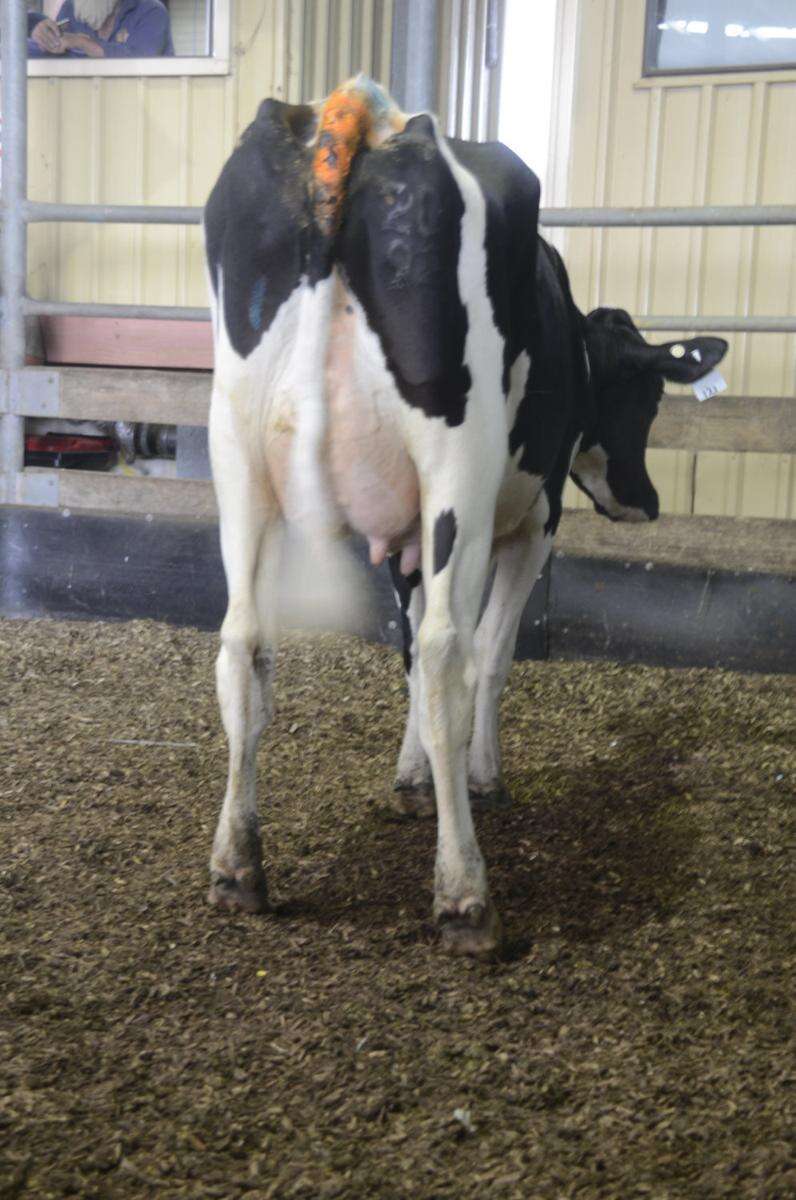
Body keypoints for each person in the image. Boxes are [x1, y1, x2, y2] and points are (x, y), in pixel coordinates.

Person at [28, 0, 173, 59]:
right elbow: (55, 53)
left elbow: (140, 62)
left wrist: (82, 43)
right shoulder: (72, 8)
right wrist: (40, 29)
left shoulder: (151, 11)